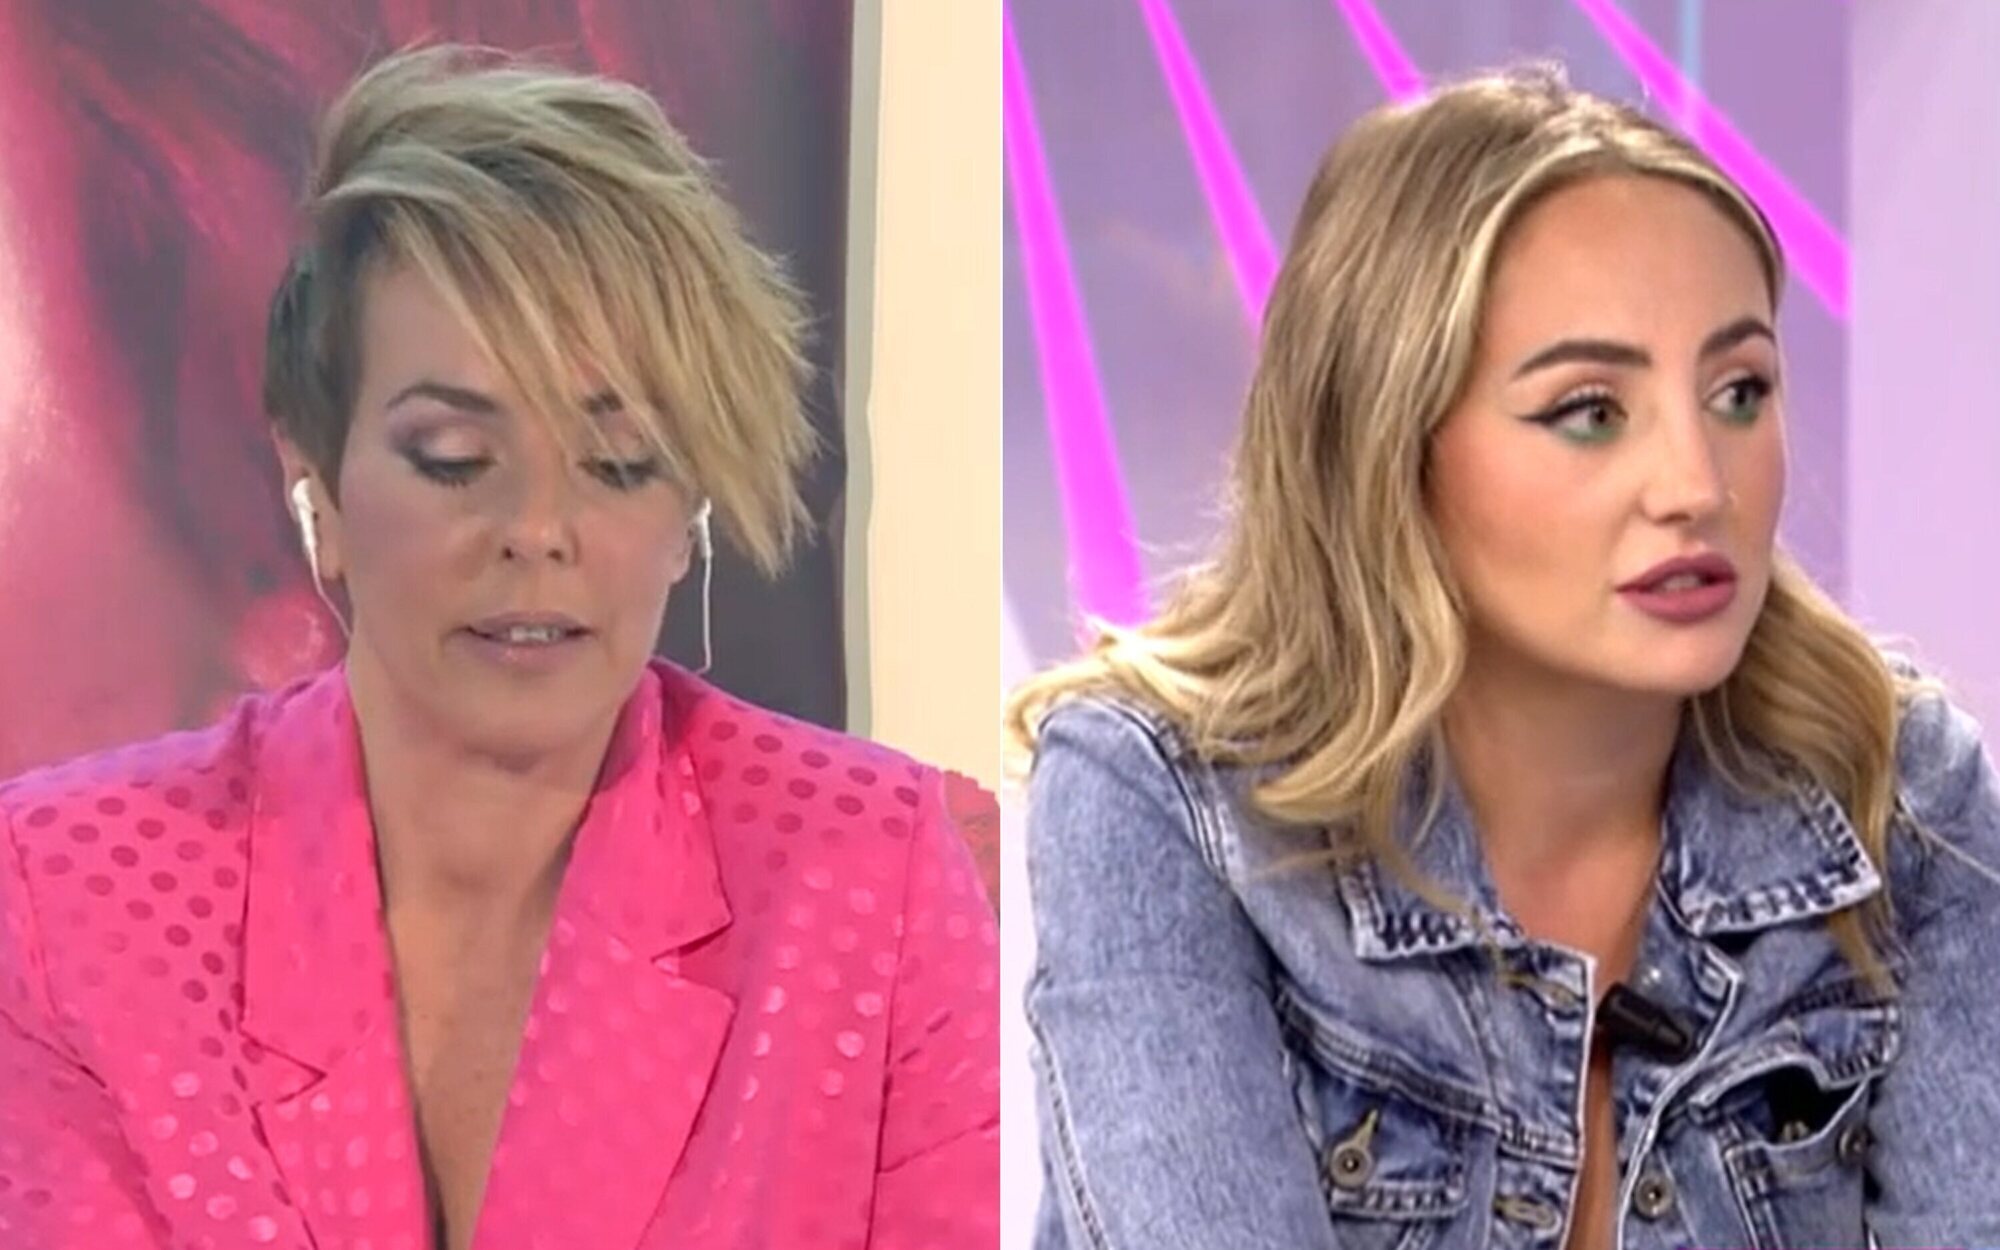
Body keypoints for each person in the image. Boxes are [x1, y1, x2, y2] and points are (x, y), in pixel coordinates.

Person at [0, 46, 998, 1250]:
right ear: (317, 479)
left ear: (687, 504)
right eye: (454, 459)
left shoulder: (869, 874)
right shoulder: (67, 892)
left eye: (617, 463)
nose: (536, 527)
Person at [1009, 66, 2000, 1250]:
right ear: (1388, 442)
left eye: (1738, 389)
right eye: (1589, 410)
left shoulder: (1895, 786)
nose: (1696, 484)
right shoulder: (1158, 799)